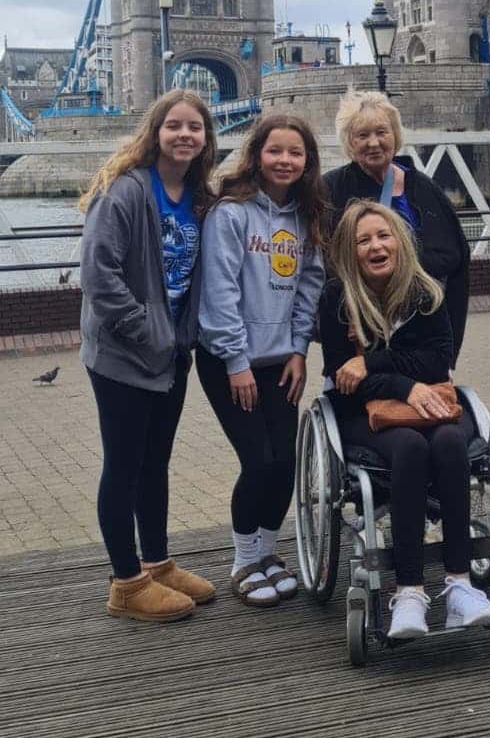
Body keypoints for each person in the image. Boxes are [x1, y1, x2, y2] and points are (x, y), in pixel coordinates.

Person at [319, 200, 490, 641]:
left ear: (399, 241)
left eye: (383, 236)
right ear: (349, 250)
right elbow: (345, 380)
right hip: (362, 412)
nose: (375, 246)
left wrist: (375, 363)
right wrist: (405, 386)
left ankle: (460, 586)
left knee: (450, 443)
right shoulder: (336, 300)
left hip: (429, 401)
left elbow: (439, 360)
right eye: (363, 240)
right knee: (410, 447)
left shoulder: (424, 293)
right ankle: (409, 592)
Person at [79, 90, 218, 623]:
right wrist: (147, 332)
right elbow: (99, 275)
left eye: (195, 127)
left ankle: (157, 563)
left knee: (155, 463)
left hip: (171, 353)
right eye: (174, 125)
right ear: (155, 132)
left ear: (206, 138)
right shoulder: (124, 191)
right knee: (123, 466)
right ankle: (126, 582)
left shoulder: (200, 197)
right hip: (123, 354)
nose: (184, 135)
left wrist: (177, 339)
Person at [196, 114, 326, 608]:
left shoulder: (306, 215)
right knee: (258, 461)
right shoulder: (230, 214)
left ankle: (269, 554)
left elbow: (309, 285)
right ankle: (243, 561)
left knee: (285, 462)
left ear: (307, 162)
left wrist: (300, 349)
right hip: (231, 362)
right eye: (275, 151)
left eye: (295, 153)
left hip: (281, 361)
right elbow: (220, 291)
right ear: (256, 155)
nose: (285, 161)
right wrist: (236, 361)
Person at [323, 88, 471, 359]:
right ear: (348, 142)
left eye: (382, 132)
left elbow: (454, 257)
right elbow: (323, 262)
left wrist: (449, 349)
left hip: (421, 330)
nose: (373, 143)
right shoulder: (332, 189)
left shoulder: (423, 187)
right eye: (362, 135)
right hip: (359, 335)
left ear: (395, 135)